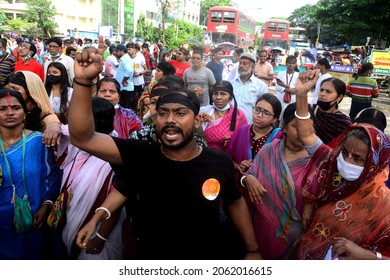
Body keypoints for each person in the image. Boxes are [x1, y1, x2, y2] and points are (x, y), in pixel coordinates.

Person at [68, 36, 261, 260]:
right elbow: (83, 138)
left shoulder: (219, 161)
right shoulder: (141, 154)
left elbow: (235, 202)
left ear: (197, 120)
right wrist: (82, 82)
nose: (170, 120)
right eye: (163, 113)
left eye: (180, 113)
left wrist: (252, 249)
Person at [294, 69, 390, 260]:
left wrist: (366, 256)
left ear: (374, 163)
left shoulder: (383, 205)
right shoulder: (330, 162)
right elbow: (306, 134)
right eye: (345, 152)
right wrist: (301, 94)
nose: (346, 162)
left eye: (358, 159)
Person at [240, 102, 312, 259]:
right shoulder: (269, 150)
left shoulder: (317, 161)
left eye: (308, 127)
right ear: (284, 127)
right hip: (260, 231)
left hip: (296, 239)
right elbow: (248, 175)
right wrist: (248, 179)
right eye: (296, 126)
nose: (303, 133)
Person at [58, 97, 125, 260]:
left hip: (100, 236)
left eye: (77, 117)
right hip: (73, 227)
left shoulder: (114, 155)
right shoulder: (76, 146)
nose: (72, 120)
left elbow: (117, 202)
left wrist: (100, 237)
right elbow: (55, 125)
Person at [0, 88, 61, 259]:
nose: (9, 113)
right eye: (2, 109)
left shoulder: (39, 141)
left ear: (25, 113)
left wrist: (46, 205)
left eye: (15, 107)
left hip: (34, 223)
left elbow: (53, 177)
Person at [225, 93, 283, 179]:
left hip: (265, 187)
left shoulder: (279, 137)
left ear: (274, 119)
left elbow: (282, 168)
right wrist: (239, 166)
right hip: (239, 184)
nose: (259, 115)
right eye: (257, 109)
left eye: (266, 113)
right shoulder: (241, 131)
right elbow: (227, 160)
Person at [5, 71, 62, 146]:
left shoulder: (44, 116)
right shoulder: (6, 112)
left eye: (15, 88)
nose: (9, 92)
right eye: (7, 88)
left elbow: (53, 122)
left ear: (30, 91)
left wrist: (54, 126)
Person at [198, 80, 247, 151]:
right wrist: (199, 122)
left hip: (226, 156)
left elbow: (244, 138)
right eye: (215, 94)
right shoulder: (204, 111)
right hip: (204, 153)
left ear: (230, 98)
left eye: (223, 94)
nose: (218, 97)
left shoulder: (238, 115)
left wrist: (233, 140)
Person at [312, 77, 352, 144]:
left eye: (328, 92)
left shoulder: (344, 123)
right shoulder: (310, 111)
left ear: (339, 98)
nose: (322, 94)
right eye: (321, 90)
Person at [230, 52, 268, 124]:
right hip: (230, 123)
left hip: (249, 124)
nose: (241, 66)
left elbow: (265, 106)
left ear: (253, 67)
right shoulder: (231, 84)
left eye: (245, 64)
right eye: (240, 63)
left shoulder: (260, 85)